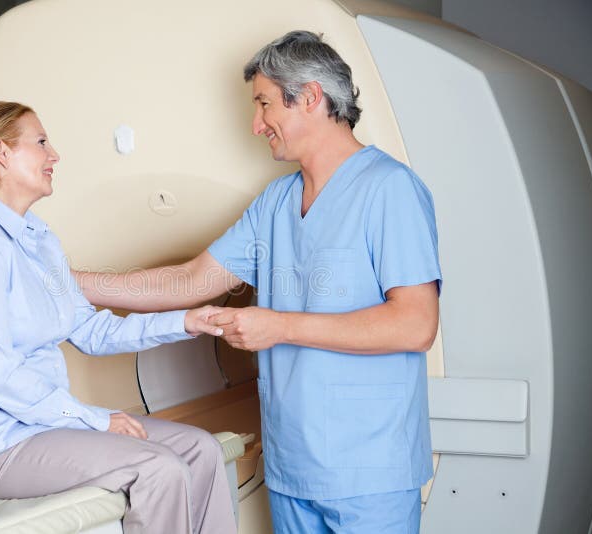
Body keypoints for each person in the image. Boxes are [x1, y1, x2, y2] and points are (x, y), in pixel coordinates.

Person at [77, 31, 441, 533]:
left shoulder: (389, 190)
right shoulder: (276, 203)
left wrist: (281, 327)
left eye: (265, 104)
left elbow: (416, 324)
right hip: (292, 468)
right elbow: (189, 280)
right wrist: (68, 284)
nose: (256, 124)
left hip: (370, 471)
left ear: (311, 97)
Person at [0, 101, 237, 534]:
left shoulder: (38, 240)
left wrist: (187, 321)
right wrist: (96, 418)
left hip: (42, 427)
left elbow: (91, 330)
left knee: (202, 449)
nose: (55, 155)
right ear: (1, 152)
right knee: (158, 468)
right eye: (42, 142)